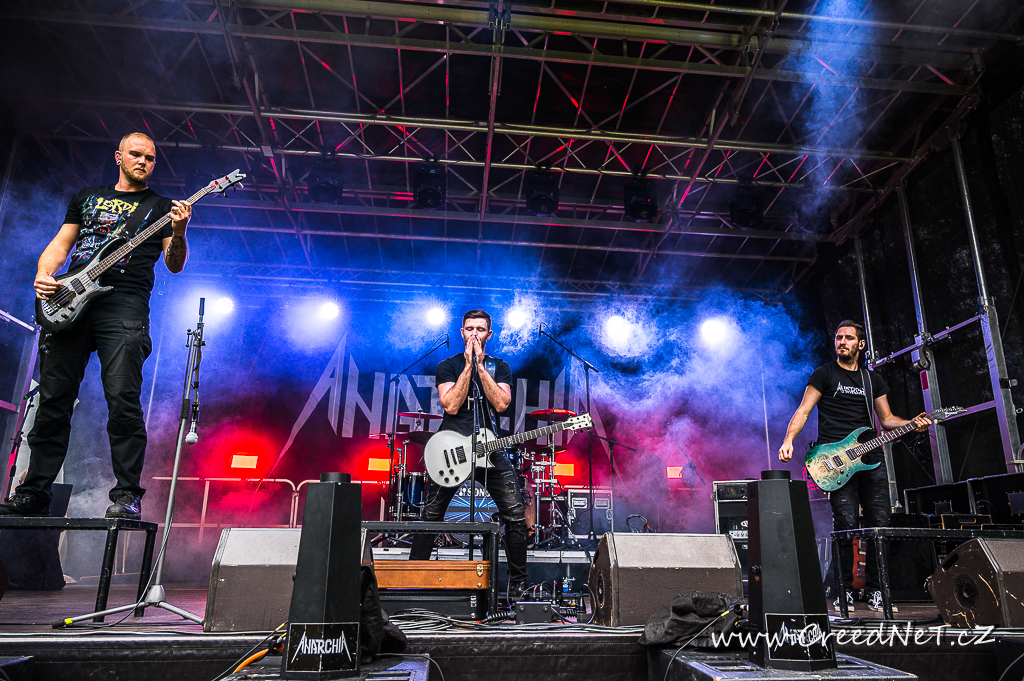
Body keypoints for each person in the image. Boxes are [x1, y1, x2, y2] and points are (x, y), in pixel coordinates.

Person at [0, 132, 192, 520]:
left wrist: (179, 231)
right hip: (71, 298)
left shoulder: (160, 207)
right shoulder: (87, 196)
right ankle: (34, 492)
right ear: (118, 157)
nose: (143, 161)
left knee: (122, 399)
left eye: (150, 158)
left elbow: (174, 264)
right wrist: (44, 273)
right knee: (53, 400)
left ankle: (127, 495)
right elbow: (62, 243)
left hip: (124, 306)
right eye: (136, 154)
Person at [778, 320, 930, 612]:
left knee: (879, 525)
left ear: (860, 344)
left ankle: (876, 590)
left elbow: (887, 420)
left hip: (871, 459)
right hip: (836, 461)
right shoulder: (824, 374)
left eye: (848, 338)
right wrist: (789, 440)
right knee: (846, 524)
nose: (842, 342)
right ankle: (844, 590)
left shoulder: (873, 380)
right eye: (838, 337)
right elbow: (804, 410)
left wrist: (912, 423)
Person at [409, 309, 530, 600]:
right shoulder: (447, 365)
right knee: (432, 515)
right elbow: (450, 405)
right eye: (470, 329)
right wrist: (467, 366)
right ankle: (412, 581)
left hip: (490, 448)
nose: (474, 334)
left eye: (480, 329)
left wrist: (481, 368)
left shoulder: (500, 367)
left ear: (489, 334)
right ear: (462, 332)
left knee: (515, 514)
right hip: (451, 449)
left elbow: (501, 404)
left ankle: (518, 588)